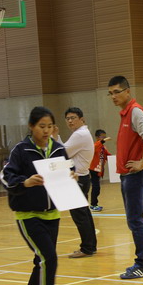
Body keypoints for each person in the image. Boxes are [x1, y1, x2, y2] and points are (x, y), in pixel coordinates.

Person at [0, 106, 65, 285]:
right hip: (27, 215)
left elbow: (64, 176)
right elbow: (6, 176)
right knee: (49, 258)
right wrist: (24, 183)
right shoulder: (21, 150)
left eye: (50, 127)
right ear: (31, 126)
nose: (46, 131)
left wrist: (70, 177)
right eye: (41, 126)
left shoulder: (58, 149)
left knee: (41, 260)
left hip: (52, 214)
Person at [108, 76, 143, 279]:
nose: (114, 96)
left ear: (127, 91)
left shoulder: (135, 111)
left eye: (117, 92)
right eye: (110, 93)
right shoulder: (125, 114)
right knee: (136, 220)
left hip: (136, 175)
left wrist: (142, 162)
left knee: (135, 220)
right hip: (128, 175)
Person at [53, 107, 98, 258]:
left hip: (77, 179)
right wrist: (56, 135)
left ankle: (87, 248)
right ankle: (90, 246)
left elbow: (62, 153)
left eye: (73, 118)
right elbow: (65, 150)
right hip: (81, 178)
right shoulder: (80, 134)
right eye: (68, 118)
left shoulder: (80, 134)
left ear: (82, 119)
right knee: (84, 214)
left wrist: (54, 137)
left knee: (80, 216)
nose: (70, 121)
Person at [89, 129, 112, 212]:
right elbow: (95, 147)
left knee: (97, 187)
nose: (104, 138)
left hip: (99, 169)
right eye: (102, 137)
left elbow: (108, 155)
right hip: (93, 169)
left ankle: (95, 204)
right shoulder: (95, 145)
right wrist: (103, 141)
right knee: (96, 187)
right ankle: (93, 205)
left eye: (104, 137)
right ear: (97, 137)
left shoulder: (103, 147)